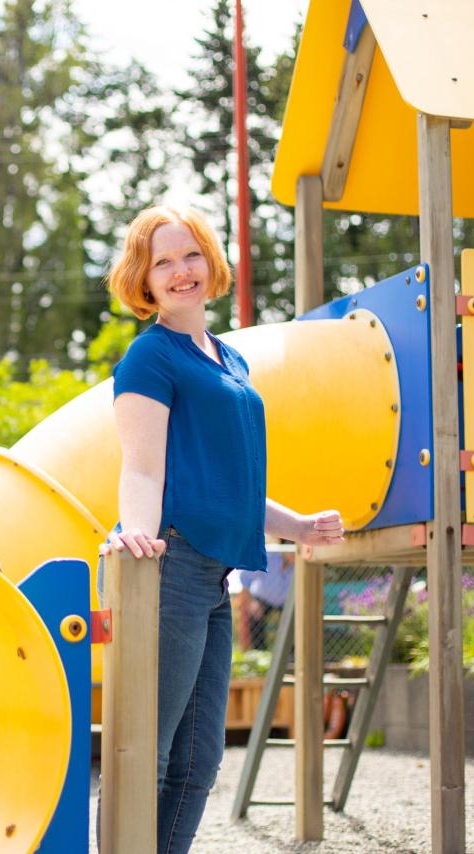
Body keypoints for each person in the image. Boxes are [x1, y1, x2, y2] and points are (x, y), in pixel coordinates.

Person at [98, 205, 346, 852]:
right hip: (172, 565)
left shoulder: (228, 358)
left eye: (191, 255)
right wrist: (140, 539)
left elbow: (231, 482)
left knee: (200, 759)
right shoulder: (151, 357)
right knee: (144, 752)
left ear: (210, 263)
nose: (181, 271)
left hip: (215, 576)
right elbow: (144, 469)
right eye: (163, 262)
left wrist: (299, 526)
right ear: (143, 280)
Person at [239, 543, 292, 650]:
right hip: (262, 600)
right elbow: (245, 577)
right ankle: (259, 652)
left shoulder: (301, 565)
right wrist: (252, 602)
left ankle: (291, 655)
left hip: (286, 603)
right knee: (254, 613)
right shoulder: (269, 557)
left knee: (294, 619)